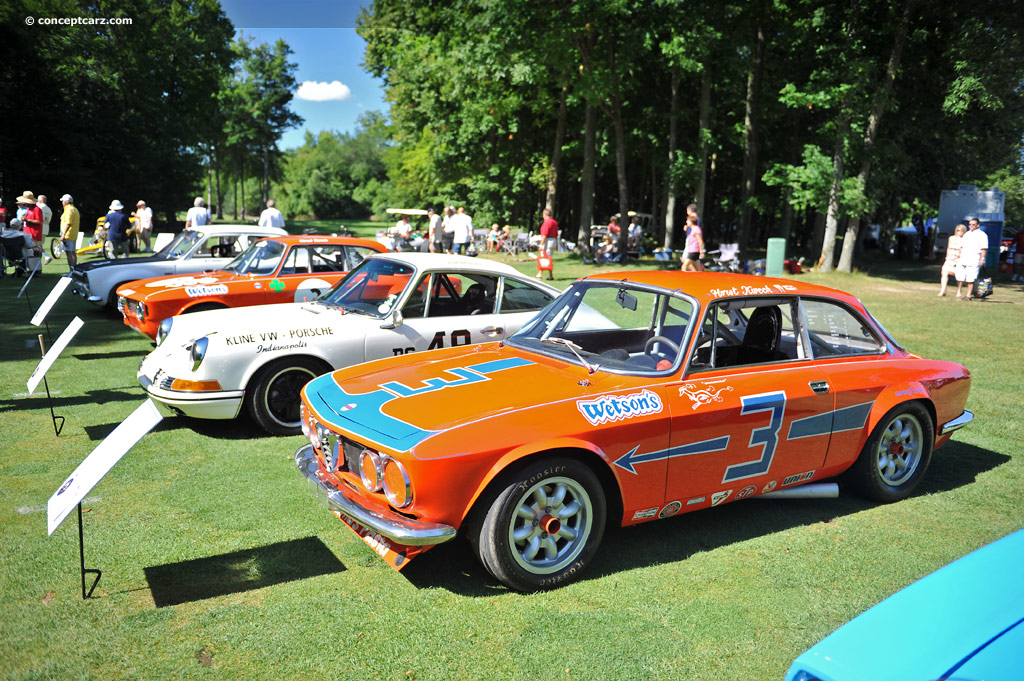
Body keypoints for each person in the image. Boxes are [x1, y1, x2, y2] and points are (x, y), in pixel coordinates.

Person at [954, 217, 988, 300]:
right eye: (970, 224)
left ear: (978, 225)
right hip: (964, 257)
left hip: (974, 258)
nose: (971, 226)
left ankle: (968, 295)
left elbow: (983, 248)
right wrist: (959, 255)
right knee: (960, 276)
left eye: (973, 224)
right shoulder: (967, 234)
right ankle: (976, 289)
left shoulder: (982, 235)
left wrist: (983, 258)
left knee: (971, 277)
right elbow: (962, 246)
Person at [16, 191, 51, 264]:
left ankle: (36, 270)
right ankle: (31, 269)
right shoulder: (29, 209)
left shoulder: (37, 209)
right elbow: (28, 218)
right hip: (28, 233)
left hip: (34, 234)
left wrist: (27, 220)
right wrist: (24, 218)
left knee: (34, 252)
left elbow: (40, 222)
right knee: (29, 253)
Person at [937, 223, 966, 296]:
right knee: (944, 273)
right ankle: (943, 289)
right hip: (950, 258)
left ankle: (959, 291)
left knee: (959, 276)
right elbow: (948, 248)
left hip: (959, 259)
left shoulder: (965, 239)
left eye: (961, 231)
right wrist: (947, 257)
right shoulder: (951, 238)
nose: (959, 232)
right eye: (958, 230)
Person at [58, 194, 81, 270]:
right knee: (73, 253)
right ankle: (74, 270)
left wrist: (63, 234)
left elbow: (68, 223)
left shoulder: (69, 210)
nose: (62, 203)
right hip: (73, 234)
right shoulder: (74, 209)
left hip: (68, 235)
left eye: (63, 201)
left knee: (69, 254)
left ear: (65, 202)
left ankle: (72, 271)